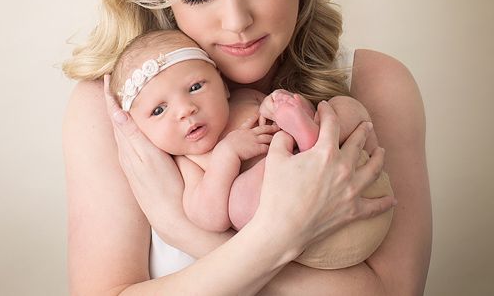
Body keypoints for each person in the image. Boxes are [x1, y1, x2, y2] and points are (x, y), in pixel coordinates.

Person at [63, 0, 431, 294]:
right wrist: (276, 238)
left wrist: (182, 226)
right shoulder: (116, 114)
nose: (237, 21)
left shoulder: (376, 85)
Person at [109, 28, 393, 269]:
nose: (185, 109)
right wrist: (227, 154)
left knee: (345, 108)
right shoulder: (189, 161)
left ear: (223, 84)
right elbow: (208, 217)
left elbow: (285, 109)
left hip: (356, 186)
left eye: (195, 87)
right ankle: (306, 144)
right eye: (159, 109)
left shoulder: (246, 100)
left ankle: (310, 138)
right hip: (317, 229)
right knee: (239, 206)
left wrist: (278, 105)